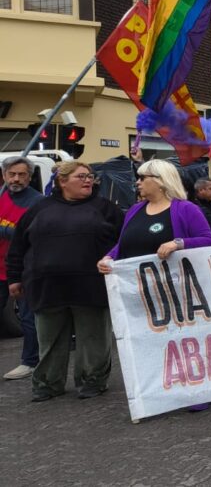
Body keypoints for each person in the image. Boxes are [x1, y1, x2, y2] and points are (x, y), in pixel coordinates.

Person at [98, 160, 211, 408]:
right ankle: (160, 393)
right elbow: (125, 243)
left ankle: (196, 393)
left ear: (160, 180)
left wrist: (179, 243)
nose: (138, 182)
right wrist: (110, 257)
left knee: (184, 340)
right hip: (142, 292)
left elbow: (208, 241)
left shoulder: (186, 209)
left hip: (178, 291)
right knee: (150, 343)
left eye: (143, 177)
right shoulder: (134, 211)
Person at [7, 161, 124, 402]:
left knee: (93, 340)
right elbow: (18, 246)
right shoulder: (40, 209)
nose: (88, 180)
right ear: (62, 181)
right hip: (47, 287)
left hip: (91, 287)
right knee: (49, 341)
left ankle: (93, 381)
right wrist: (14, 278)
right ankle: (48, 384)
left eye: (90, 176)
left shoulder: (105, 208)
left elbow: (122, 243)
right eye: (81, 176)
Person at [0, 156, 44, 380]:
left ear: (29, 176)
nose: (16, 179)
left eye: (22, 174)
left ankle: (30, 361)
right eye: (11, 174)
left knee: (27, 317)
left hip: (22, 269)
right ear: (4, 175)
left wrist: (5, 230)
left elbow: (34, 236)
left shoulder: (37, 202)